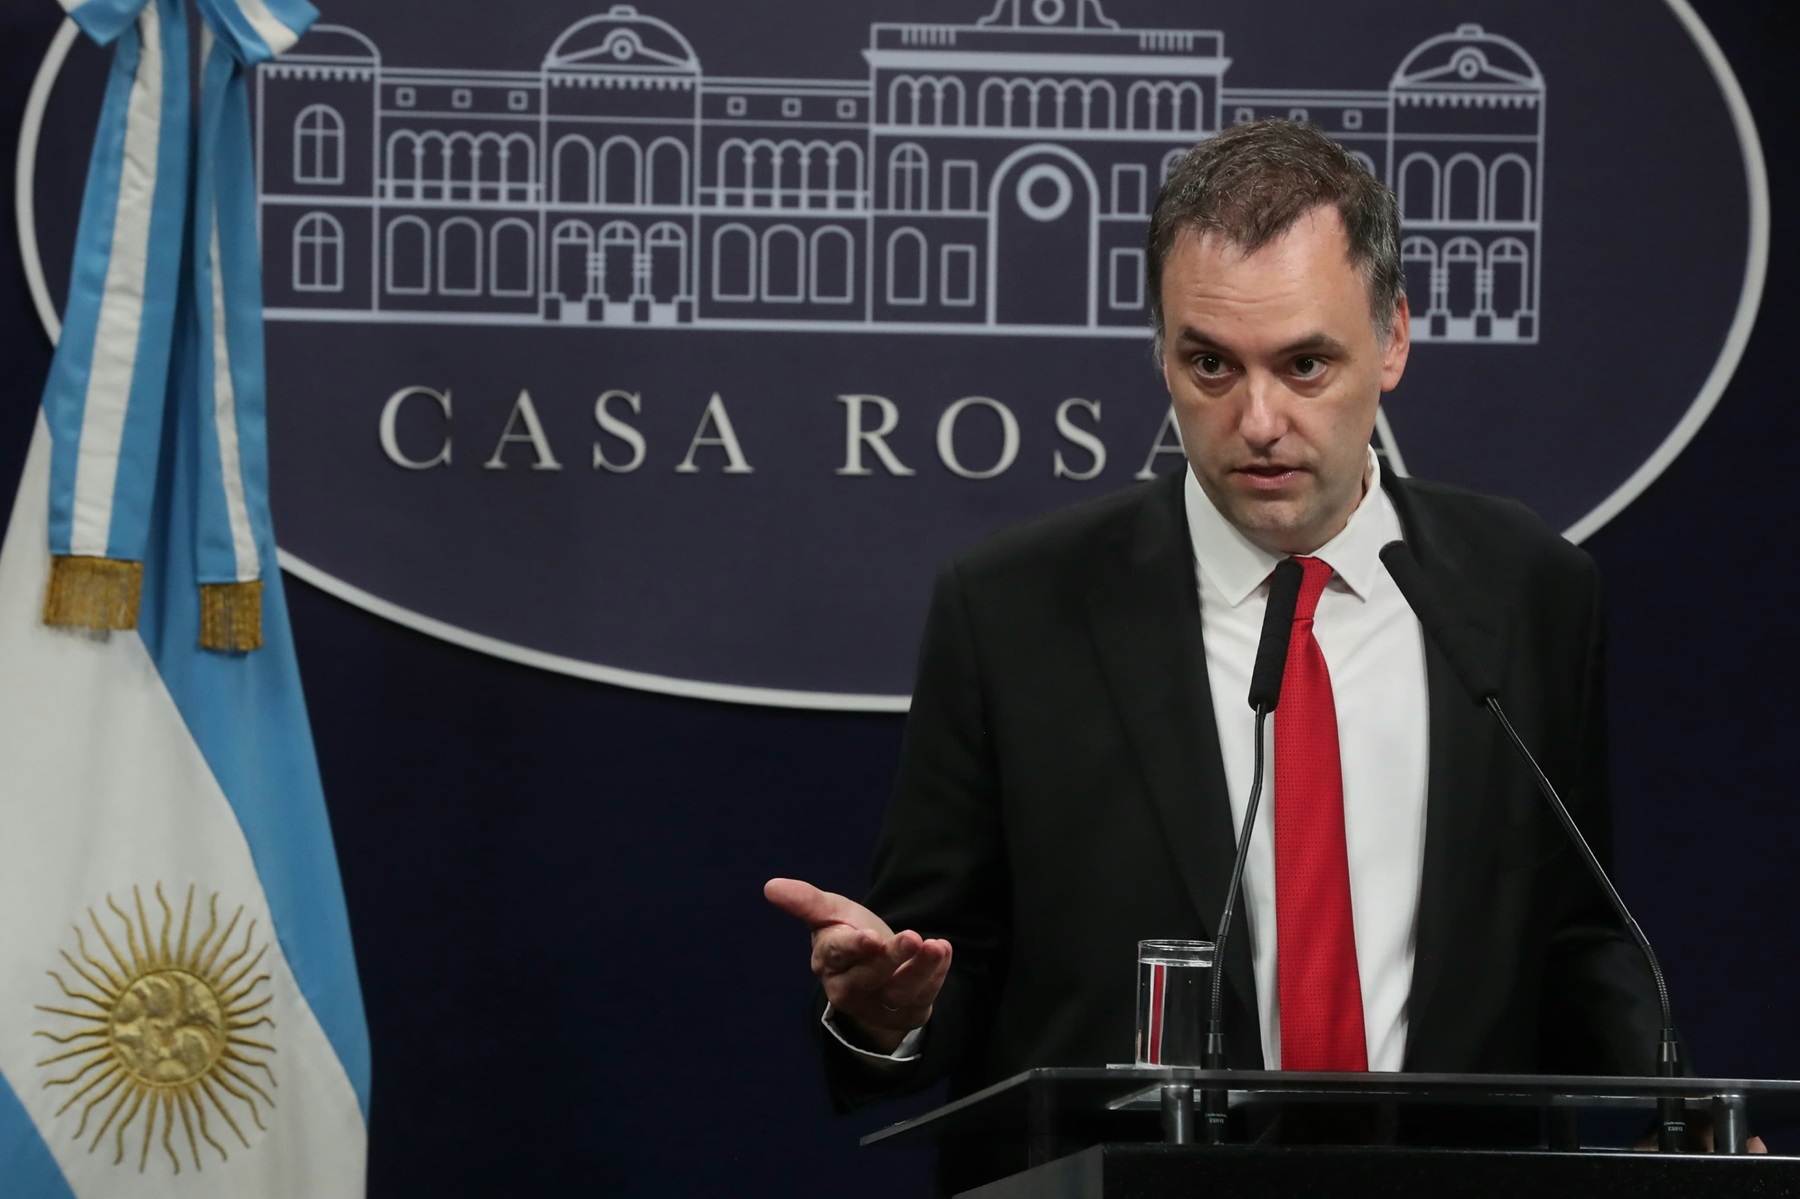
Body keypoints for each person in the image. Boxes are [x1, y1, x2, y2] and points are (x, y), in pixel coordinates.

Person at [765, 119, 1673, 1187]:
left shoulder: (1528, 589)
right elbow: (945, 955)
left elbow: (1576, 932)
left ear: (1392, 340)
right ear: (1162, 352)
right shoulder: (1016, 607)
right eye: (1210, 364)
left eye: (1305, 363)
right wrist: (890, 1011)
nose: (1258, 419)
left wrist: (1680, 1119)